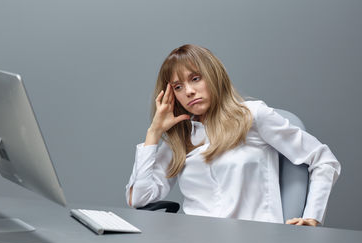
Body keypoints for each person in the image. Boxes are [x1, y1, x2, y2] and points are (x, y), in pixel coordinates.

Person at [125, 44, 341, 226]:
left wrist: (313, 217)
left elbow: (323, 160)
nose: (189, 91)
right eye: (178, 87)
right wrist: (154, 133)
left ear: (213, 76)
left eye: (196, 78)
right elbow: (139, 198)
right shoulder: (181, 139)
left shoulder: (252, 116)